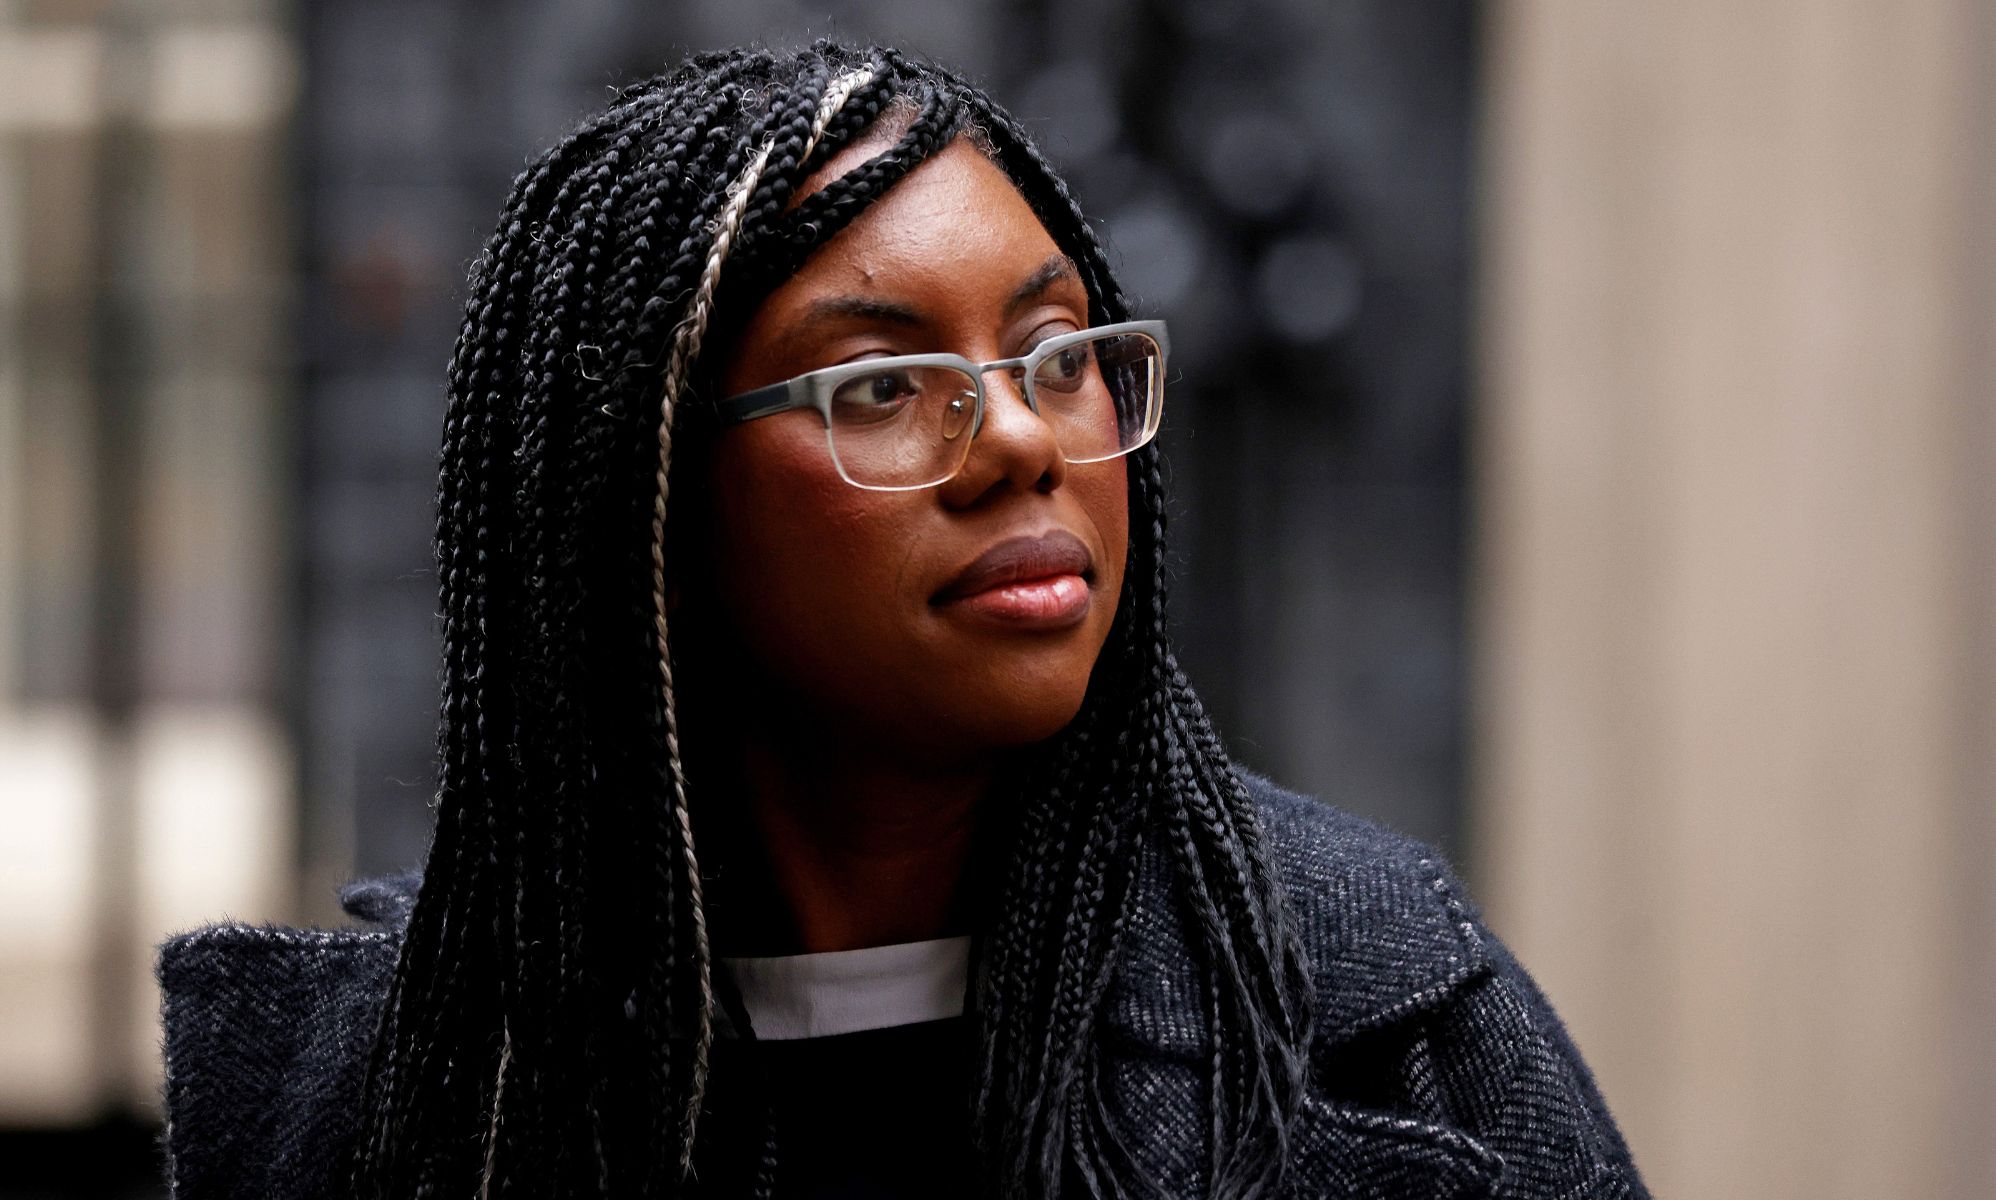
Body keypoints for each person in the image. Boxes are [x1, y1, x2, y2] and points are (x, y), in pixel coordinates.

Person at [155, 40, 1650, 1200]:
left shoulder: (1380, 1008)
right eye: (877, 387)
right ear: (654, 497)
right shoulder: (408, 1100)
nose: (1021, 441)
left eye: (1060, 354)